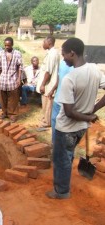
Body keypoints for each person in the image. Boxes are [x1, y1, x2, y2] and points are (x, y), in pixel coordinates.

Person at [46, 38, 105, 199]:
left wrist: (90, 114)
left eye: (64, 54)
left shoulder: (70, 78)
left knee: (61, 159)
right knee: (68, 153)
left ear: (72, 53)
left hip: (66, 128)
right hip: (81, 128)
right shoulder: (94, 70)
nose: (63, 58)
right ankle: (64, 182)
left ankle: (61, 191)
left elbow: (69, 112)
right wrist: (93, 110)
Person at [0, 37, 23, 123]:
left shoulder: (17, 54)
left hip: (13, 80)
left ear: (12, 45)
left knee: (13, 99)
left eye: (8, 45)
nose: (7, 47)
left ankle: (12, 114)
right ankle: (4, 113)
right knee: (3, 99)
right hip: (3, 81)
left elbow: (20, 67)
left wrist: (19, 78)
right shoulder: (1, 54)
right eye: (5, 45)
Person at [36, 35, 60, 128]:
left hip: (48, 84)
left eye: (44, 42)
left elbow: (48, 72)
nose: (43, 44)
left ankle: (47, 122)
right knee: (45, 103)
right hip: (47, 84)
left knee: (48, 104)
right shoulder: (51, 53)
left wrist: (42, 84)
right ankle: (44, 119)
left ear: (49, 43)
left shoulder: (52, 54)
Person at [51, 60, 73, 142]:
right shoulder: (63, 63)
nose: (63, 57)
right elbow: (59, 78)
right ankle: (54, 143)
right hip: (57, 99)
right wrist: (53, 89)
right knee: (54, 121)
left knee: (64, 127)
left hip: (67, 103)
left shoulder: (77, 67)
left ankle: (64, 147)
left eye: (64, 54)